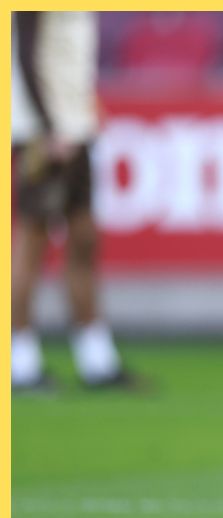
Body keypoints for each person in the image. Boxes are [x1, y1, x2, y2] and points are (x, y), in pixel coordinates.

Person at [11, 11, 134, 391]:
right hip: (45, 134)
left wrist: (85, 106)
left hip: (75, 128)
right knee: (31, 242)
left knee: (84, 239)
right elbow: (25, 52)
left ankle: (96, 359)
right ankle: (18, 362)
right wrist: (49, 127)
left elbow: (67, 56)